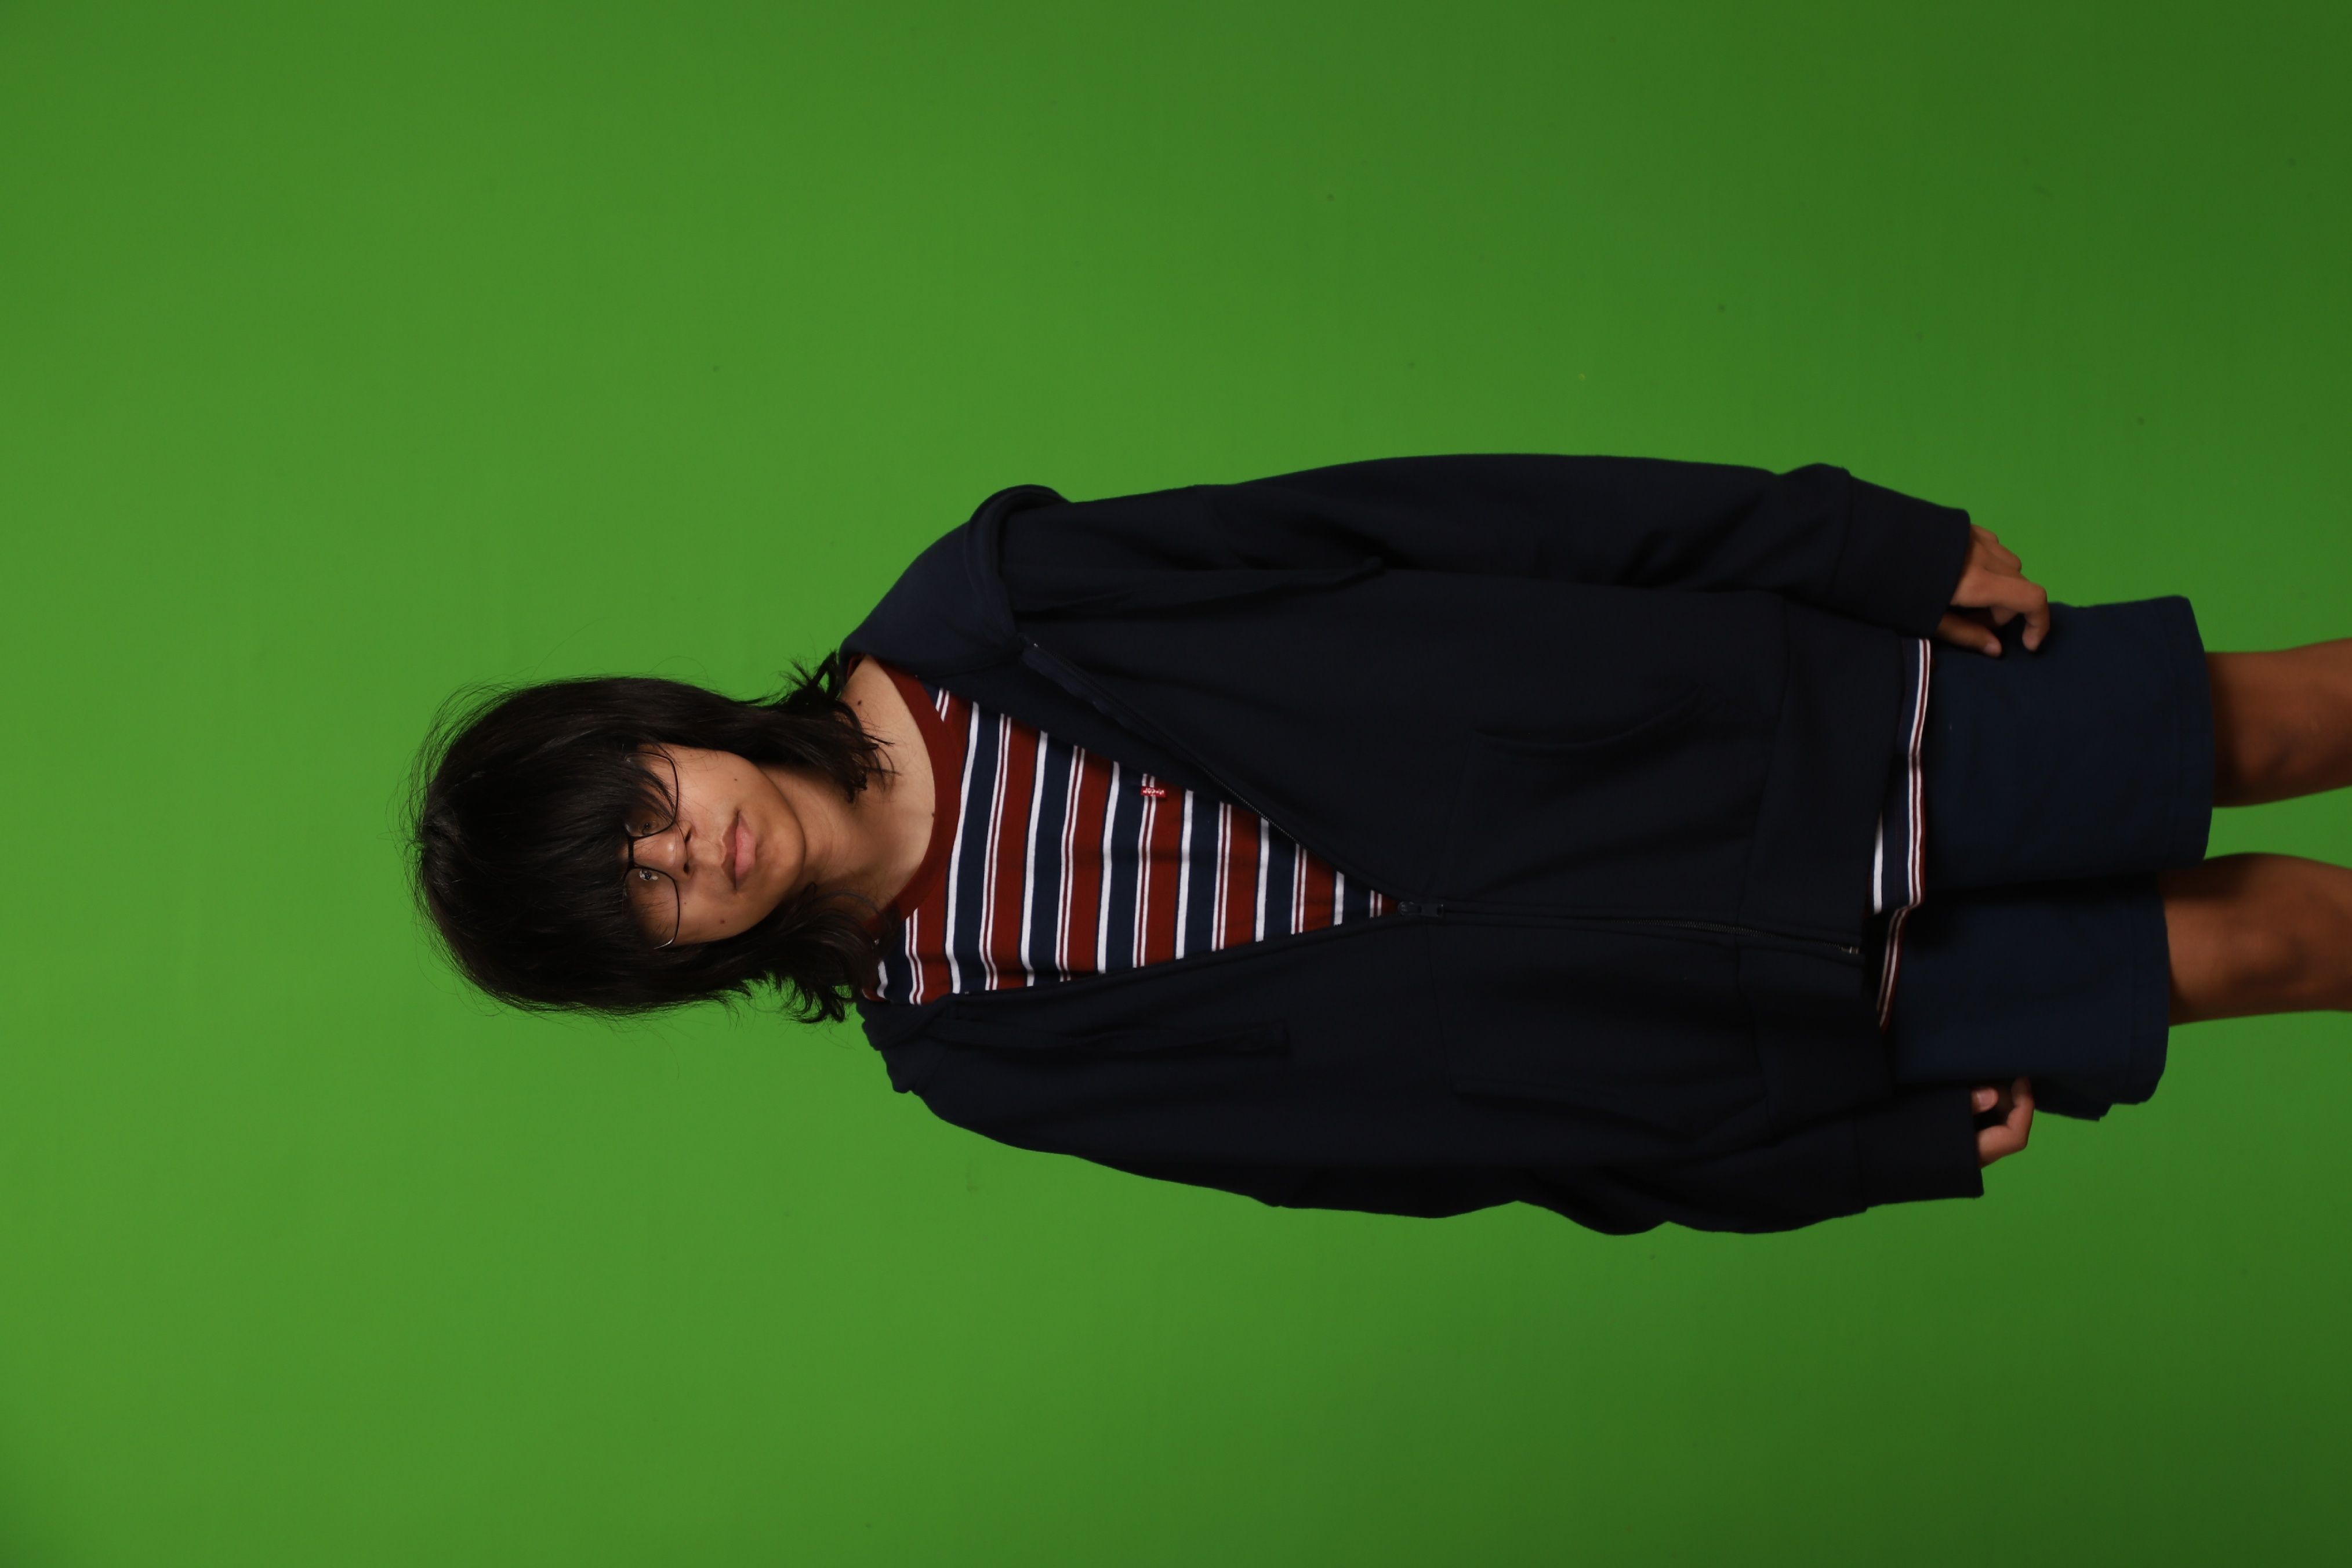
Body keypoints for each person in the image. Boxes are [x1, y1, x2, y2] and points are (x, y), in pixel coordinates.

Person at [409, 456, 2352, 1235]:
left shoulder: (991, 610)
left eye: (642, 806)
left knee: (2270, 726)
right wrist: (1846, 1156)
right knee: (2263, 954)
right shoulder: (971, 1050)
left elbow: (1437, 512)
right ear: (663, 967)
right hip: (1739, 1027)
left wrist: (1851, 545)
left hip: (1744, 738)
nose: (689, 853)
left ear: (657, 728)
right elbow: (1405, 1160)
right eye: (639, 899)